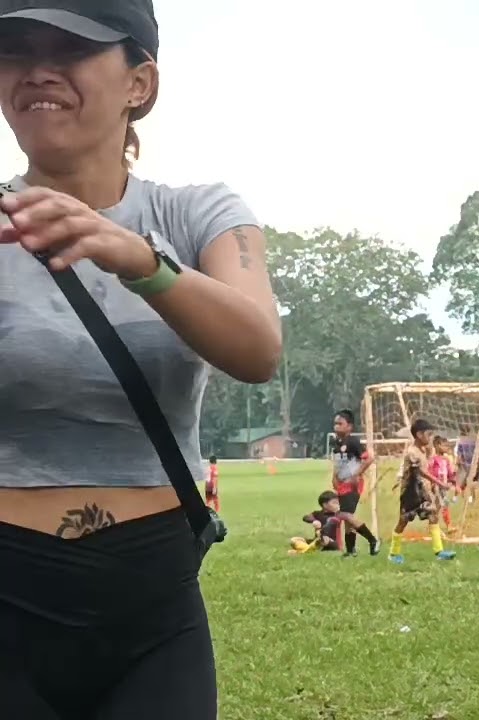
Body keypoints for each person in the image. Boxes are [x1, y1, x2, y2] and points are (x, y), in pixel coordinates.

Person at [0, 2, 283, 716]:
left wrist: (141, 262)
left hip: (154, 605)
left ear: (140, 83)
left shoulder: (198, 214)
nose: (38, 70)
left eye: (71, 48)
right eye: (16, 49)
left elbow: (257, 348)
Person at [387, 420, 451, 564]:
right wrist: (440, 483)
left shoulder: (423, 450)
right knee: (403, 521)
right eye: (428, 434)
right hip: (410, 492)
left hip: (423, 491)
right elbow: (420, 472)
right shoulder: (412, 452)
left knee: (433, 515)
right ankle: (393, 553)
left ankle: (439, 551)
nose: (430, 438)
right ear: (419, 434)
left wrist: (431, 486)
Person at [330, 409, 373, 557]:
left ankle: (373, 540)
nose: (336, 426)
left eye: (340, 423)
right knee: (348, 518)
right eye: (335, 424)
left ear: (349, 426)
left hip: (352, 484)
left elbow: (369, 458)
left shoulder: (353, 441)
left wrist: (357, 474)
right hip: (342, 483)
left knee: (345, 514)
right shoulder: (337, 443)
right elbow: (338, 463)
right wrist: (334, 477)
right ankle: (350, 550)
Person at [295, 491, 379, 555]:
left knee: (324, 539)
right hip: (318, 540)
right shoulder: (317, 513)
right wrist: (314, 521)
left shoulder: (338, 515)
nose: (337, 505)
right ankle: (309, 548)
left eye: (338, 503)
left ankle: (306, 549)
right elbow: (306, 517)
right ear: (325, 505)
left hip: (333, 543)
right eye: (334, 503)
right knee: (294, 540)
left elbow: (351, 523)